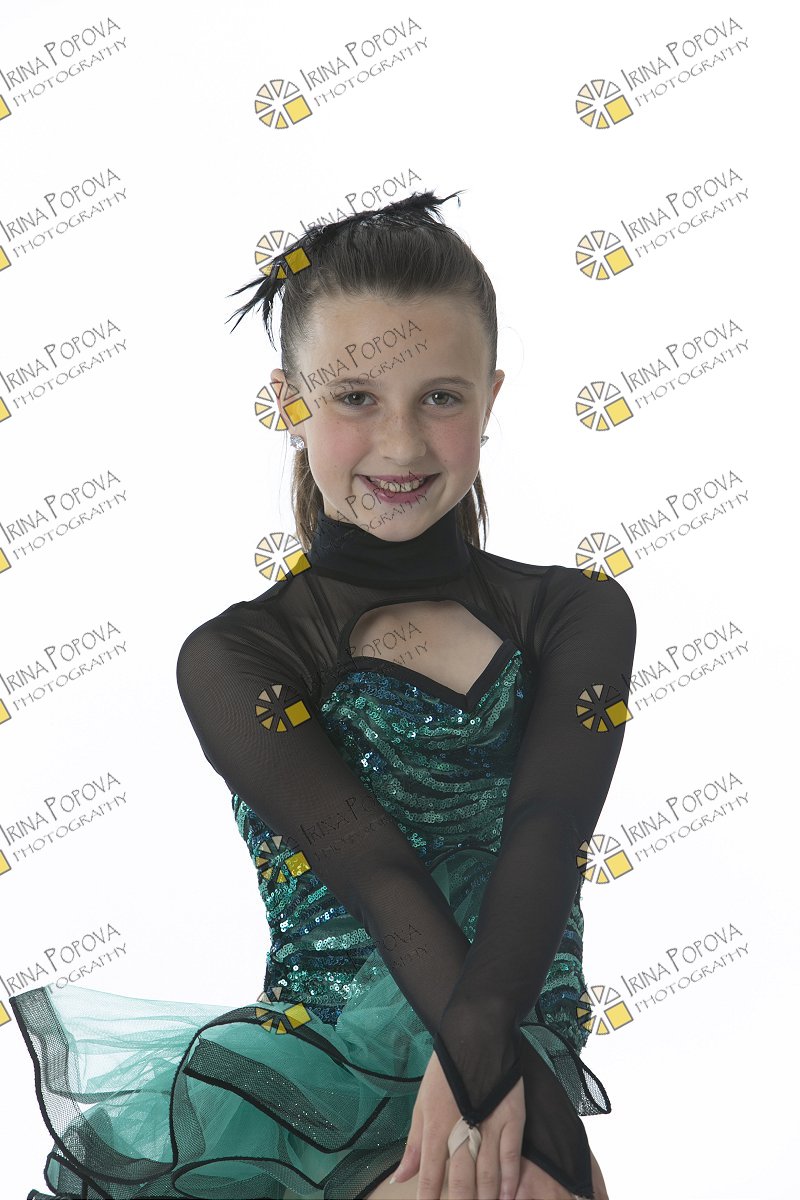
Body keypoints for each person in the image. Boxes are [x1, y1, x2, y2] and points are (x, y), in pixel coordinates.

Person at [9, 191, 635, 1200]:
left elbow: (548, 831)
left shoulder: (576, 615)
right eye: (354, 398)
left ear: (490, 396)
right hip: (316, 1095)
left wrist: (491, 1062)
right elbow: (379, 876)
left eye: (440, 397)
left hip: (511, 1059)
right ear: (290, 401)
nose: (400, 444)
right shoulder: (242, 656)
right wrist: (489, 1071)